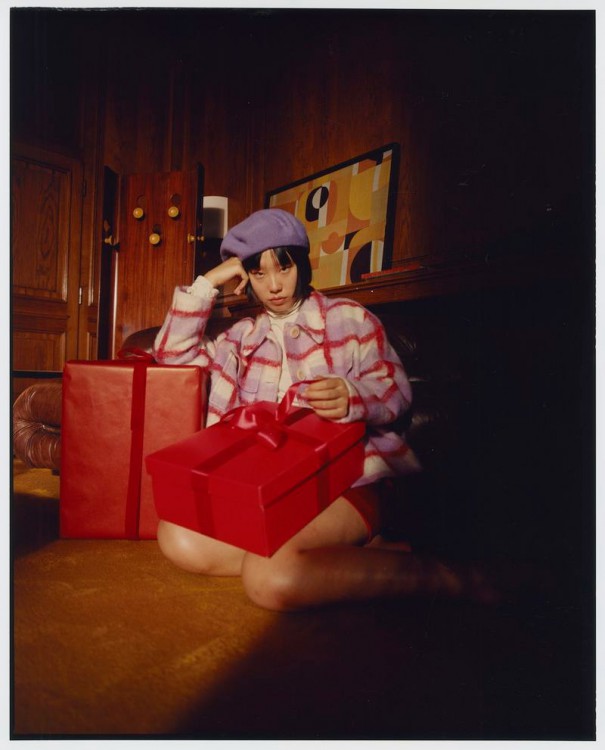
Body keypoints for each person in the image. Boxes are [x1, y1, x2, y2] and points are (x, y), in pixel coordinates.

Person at [153, 208, 497, 611]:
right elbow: (172, 356)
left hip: (350, 480)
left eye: (284, 268)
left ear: (301, 263)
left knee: (271, 580)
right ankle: (342, 558)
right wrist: (208, 282)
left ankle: (448, 578)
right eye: (259, 273)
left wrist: (352, 396)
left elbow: (395, 391)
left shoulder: (350, 318)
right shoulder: (238, 338)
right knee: (176, 537)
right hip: (268, 489)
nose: (274, 285)